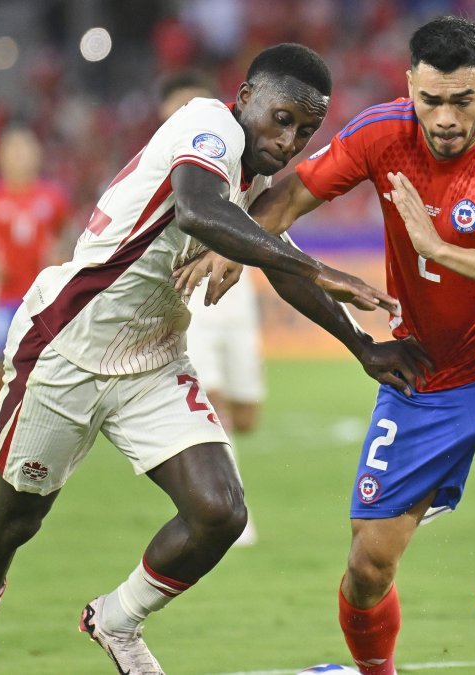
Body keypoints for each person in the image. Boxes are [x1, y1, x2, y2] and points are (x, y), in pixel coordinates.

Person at [0, 43, 425, 675]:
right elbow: (199, 211)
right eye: (283, 119)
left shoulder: (252, 175)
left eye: (306, 131)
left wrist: (362, 346)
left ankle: (116, 619)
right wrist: (318, 266)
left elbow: (275, 257)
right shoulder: (208, 125)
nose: (290, 141)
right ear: (246, 96)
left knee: (219, 511)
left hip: (153, 357)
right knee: (12, 521)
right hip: (67, 345)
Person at [177, 17, 475, 675]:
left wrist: (440, 249)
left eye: (463, 100)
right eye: (431, 100)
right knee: (368, 566)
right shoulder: (381, 133)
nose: (446, 118)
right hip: (425, 372)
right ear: (411, 87)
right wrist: (239, 246)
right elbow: (295, 194)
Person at [160, 72, 266, 546]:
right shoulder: (164, 163)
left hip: (237, 291)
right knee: (212, 399)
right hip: (190, 292)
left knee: (245, 414)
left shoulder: (235, 157)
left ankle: (217, 488)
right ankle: (231, 510)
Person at [0, 127, 72, 444]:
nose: (21, 156)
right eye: (14, 150)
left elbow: (66, 230)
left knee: (46, 357)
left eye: (26, 149)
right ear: (1, 157)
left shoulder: (52, 196)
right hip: (2, 296)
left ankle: (39, 416)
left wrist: (59, 255)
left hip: (41, 295)